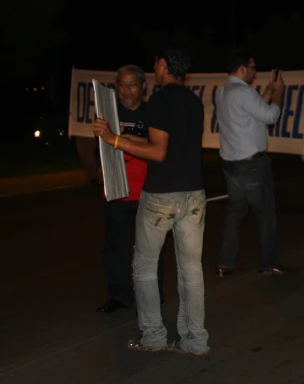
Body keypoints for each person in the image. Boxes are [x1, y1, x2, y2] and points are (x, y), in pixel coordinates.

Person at [93, 45, 209, 355]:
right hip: (194, 194)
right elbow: (162, 141)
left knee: (144, 266)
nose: (154, 69)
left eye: (156, 64)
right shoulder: (194, 101)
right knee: (191, 270)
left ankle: (154, 336)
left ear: (163, 66)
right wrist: (121, 140)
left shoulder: (159, 100)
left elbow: (158, 152)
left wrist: (114, 140)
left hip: (161, 196)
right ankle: (195, 340)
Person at [97, 65, 166, 314]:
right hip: (118, 192)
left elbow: (159, 147)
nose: (126, 91)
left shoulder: (153, 114)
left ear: (143, 87)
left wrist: (120, 138)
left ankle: (151, 296)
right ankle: (120, 295)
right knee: (115, 249)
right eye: (122, 85)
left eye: (132, 85)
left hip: (149, 191)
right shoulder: (108, 114)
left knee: (151, 250)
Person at [214, 50, 286, 277]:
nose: (255, 73)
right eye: (253, 68)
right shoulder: (244, 92)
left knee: (235, 214)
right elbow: (271, 116)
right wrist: (279, 94)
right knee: (265, 215)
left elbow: (251, 110)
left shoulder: (224, 90)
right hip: (252, 165)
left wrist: (269, 90)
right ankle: (269, 263)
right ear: (243, 68)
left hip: (231, 164)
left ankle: (225, 262)